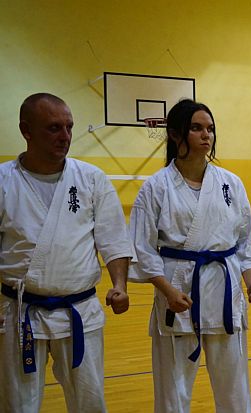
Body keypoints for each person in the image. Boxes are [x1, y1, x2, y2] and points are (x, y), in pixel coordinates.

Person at [129, 99, 251, 412]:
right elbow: (142, 247)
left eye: (210, 128)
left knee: (234, 385)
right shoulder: (156, 187)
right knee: (173, 388)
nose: (207, 135)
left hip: (224, 288)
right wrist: (167, 290)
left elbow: (244, 238)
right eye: (196, 128)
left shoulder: (231, 183)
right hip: (178, 290)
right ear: (176, 134)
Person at [0, 93, 132, 412]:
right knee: (17, 404)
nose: (65, 136)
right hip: (19, 311)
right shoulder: (4, 180)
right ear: (26, 130)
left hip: (79, 310)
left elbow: (113, 239)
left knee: (90, 401)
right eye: (54, 127)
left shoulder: (91, 179)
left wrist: (119, 285)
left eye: (69, 127)